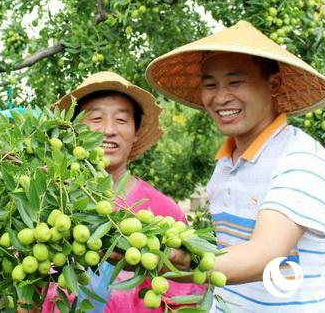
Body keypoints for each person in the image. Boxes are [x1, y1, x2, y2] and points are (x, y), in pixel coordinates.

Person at [146, 21, 325, 312]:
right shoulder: (224, 163)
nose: (220, 97)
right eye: (210, 85)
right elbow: (227, 255)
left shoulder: (301, 158)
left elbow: (266, 254)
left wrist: (183, 258)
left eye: (235, 82)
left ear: (273, 85)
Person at [42, 71, 205, 312]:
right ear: (73, 129)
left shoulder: (164, 212)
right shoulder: (48, 197)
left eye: (121, 120)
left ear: (136, 132)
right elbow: (29, 289)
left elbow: (183, 298)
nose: (108, 130)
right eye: (95, 118)